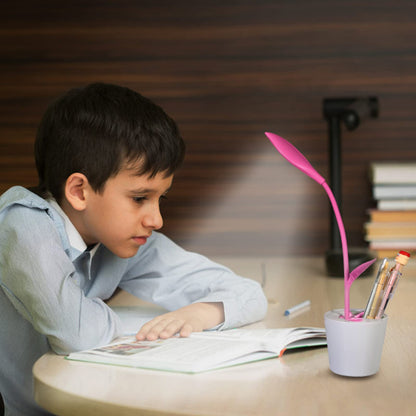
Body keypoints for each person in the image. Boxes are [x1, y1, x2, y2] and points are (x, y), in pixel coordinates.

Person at [0, 83, 267, 415]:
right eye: (140, 198)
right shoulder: (21, 226)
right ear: (79, 191)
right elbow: (77, 334)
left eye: (160, 198)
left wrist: (197, 314)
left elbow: (249, 295)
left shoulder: (123, 239)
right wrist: (154, 326)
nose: (156, 219)